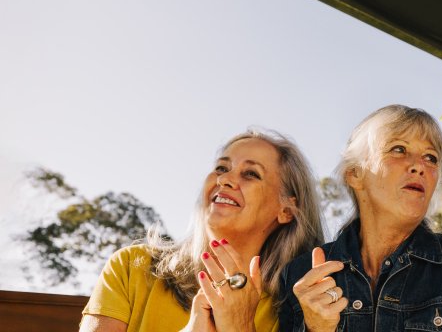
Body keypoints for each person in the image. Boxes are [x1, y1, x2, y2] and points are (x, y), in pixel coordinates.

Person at [80, 129, 325, 332]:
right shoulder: (131, 266)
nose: (224, 179)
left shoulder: (290, 311)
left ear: (286, 210)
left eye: (251, 174)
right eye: (221, 168)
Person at [278, 104, 442, 331]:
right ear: (355, 173)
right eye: (399, 149)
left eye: (430, 157)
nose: (419, 166)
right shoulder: (300, 275)